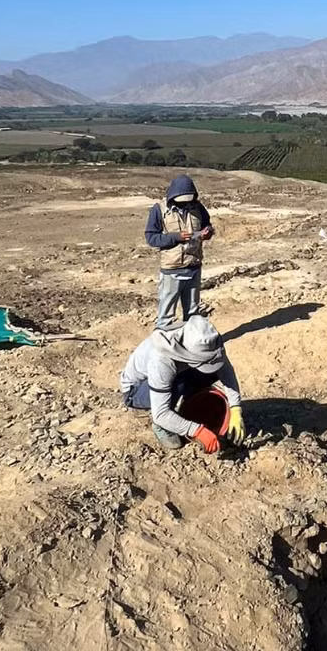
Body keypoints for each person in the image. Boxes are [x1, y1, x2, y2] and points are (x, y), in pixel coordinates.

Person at [119, 314, 245, 452]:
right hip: (136, 390)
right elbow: (161, 413)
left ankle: (192, 400)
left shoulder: (206, 339)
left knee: (212, 371)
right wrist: (197, 431)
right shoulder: (161, 361)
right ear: (190, 354)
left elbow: (225, 370)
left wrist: (235, 407)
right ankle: (161, 427)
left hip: (177, 374)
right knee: (177, 386)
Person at [145, 175, 214, 329]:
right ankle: (164, 345)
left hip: (194, 266)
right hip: (172, 269)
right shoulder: (159, 210)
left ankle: (189, 346)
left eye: (189, 200)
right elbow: (151, 237)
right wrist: (175, 237)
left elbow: (207, 225)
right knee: (167, 315)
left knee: (193, 313)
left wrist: (207, 232)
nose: (185, 203)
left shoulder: (198, 208)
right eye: (182, 200)